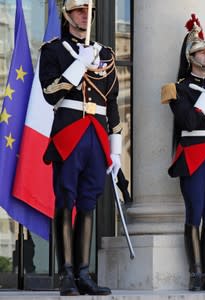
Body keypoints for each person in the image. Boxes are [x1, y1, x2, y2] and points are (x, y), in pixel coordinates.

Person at [39, 0, 120, 295]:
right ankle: (67, 275)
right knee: (66, 200)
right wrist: (78, 64)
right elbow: (50, 93)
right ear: (67, 15)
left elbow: (111, 104)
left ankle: (84, 273)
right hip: (70, 131)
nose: (85, 16)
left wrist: (117, 148)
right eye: (79, 11)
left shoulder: (107, 54)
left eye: (88, 12)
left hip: (97, 134)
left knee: (88, 202)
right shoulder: (54, 51)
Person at [160, 14, 205, 291]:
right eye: (203, 51)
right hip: (194, 155)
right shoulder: (178, 89)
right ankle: (196, 275)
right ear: (191, 56)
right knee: (195, 213)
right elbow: (188, 122)